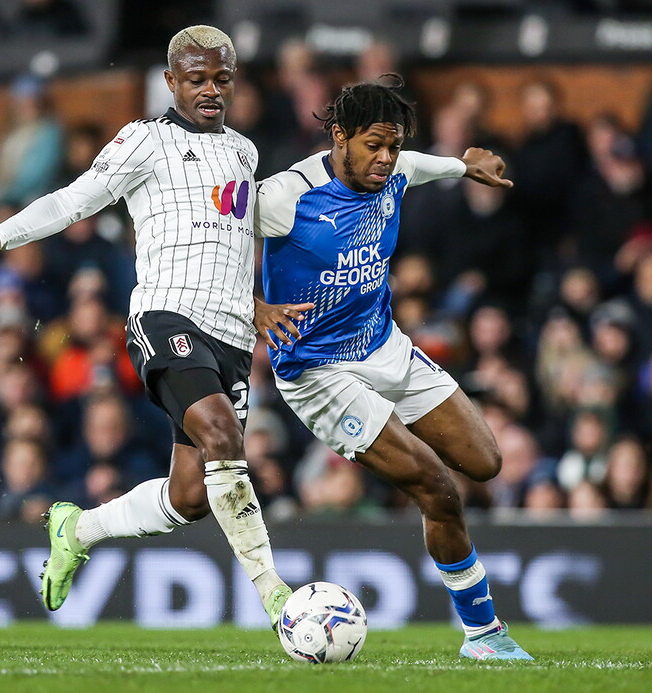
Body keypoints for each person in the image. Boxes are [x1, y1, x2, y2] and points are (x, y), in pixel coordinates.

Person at [0, 25, 296, 627]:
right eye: (196, 80)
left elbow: (235, 241)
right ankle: (276, 595)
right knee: (221, 437)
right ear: (170, 83)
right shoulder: (143, 142)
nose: (211, 90)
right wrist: (3, 233)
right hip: (165, 315)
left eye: (221, 79)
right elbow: (74, 200)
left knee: (190, 495)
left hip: (232, 334)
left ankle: (77, 528)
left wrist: (257, 302)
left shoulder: (244, 150)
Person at [253, 75, 532, 660]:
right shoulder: (285, 195)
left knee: (486, 461)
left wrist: (462, 166)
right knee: (437, 487)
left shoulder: (396, 171)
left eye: (394, 146)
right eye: (373, 145)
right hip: (318, 371)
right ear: (339, 137)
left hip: (385, 347)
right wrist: (252, 305)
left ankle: (483, 631)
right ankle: (484, 635)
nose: (385, 159)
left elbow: (420, 166)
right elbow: (209, 244)